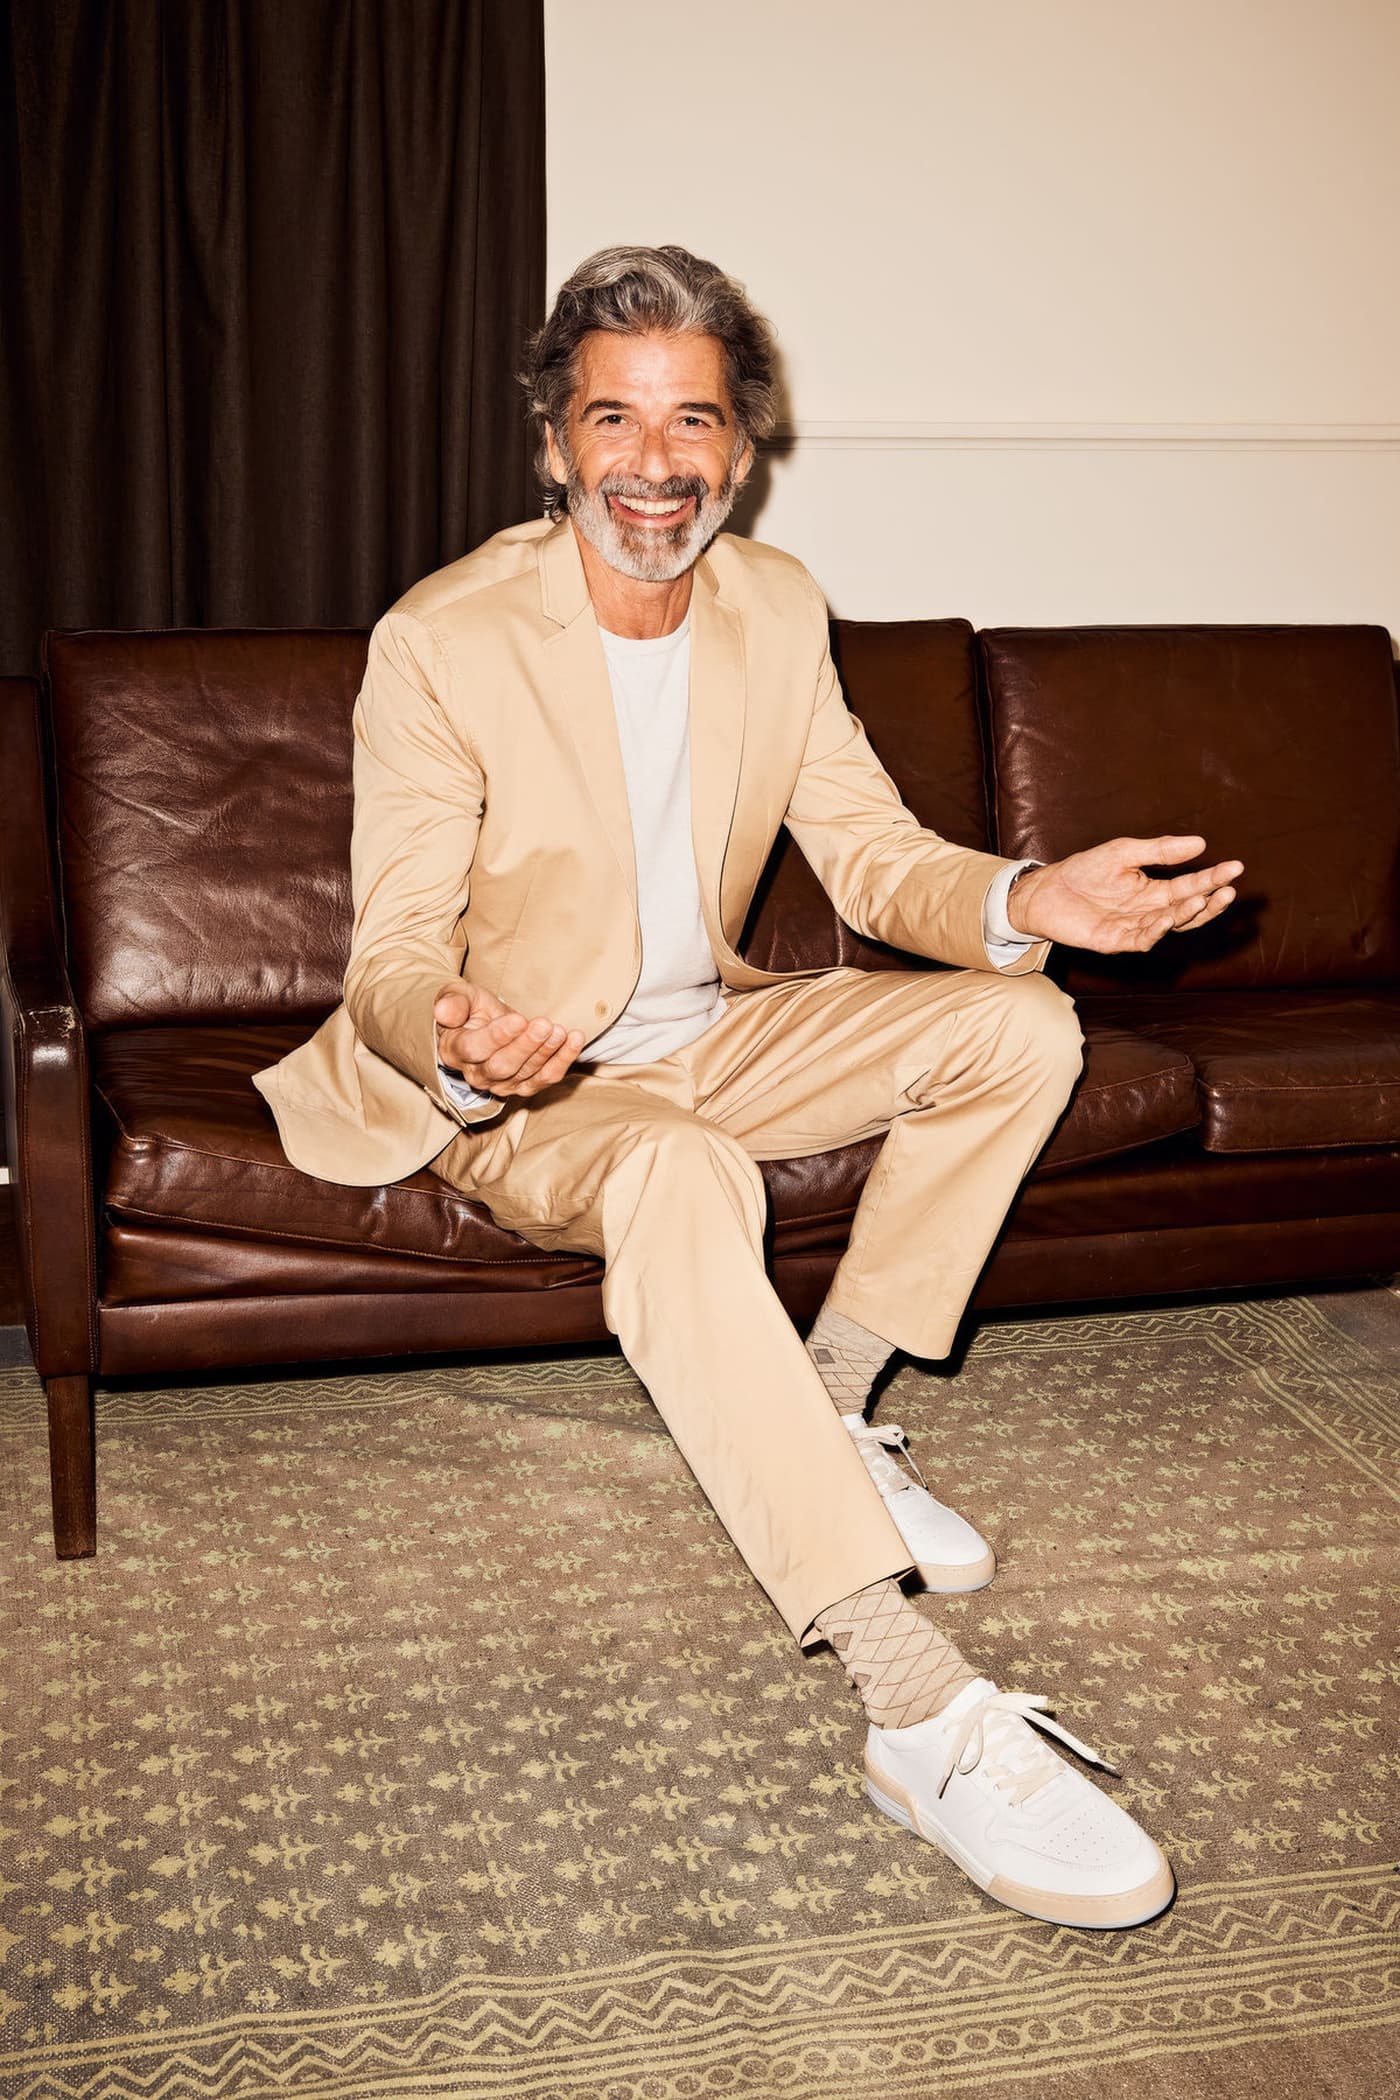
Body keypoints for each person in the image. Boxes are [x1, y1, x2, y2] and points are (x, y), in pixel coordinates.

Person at [256, 245, 1242, 1932]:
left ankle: (833, 1405)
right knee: (678, 1173)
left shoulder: (776, 607)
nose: (656, 463)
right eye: (613, 420)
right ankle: (914, 1706)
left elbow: (874, 857)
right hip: (530, 1086)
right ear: (555, 444)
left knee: (1021, 1027)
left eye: (693, 420)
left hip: (711, 1037)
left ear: (744, 442)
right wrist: (458, 1031)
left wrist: (1029, 899)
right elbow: (393, 950)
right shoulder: (444, 639)